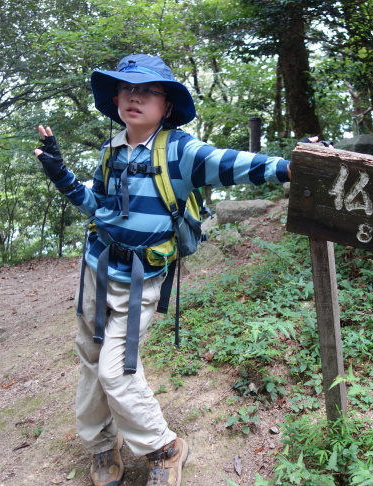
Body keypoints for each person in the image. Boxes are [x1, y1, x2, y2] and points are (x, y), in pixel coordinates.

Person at [34, 54, 291, 486]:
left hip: (139, 278)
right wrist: (62, 176)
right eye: (127, 89)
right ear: (115, 97)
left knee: (117, 369)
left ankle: (165, 448)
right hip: (96, 266)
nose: (134, 97)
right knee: (91, 358)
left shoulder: (180, 149)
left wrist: (288, 166)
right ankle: (101, 445)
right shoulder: (111, 150)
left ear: (166, 105)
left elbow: (233, 163)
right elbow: (96, 207)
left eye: (148, 90)